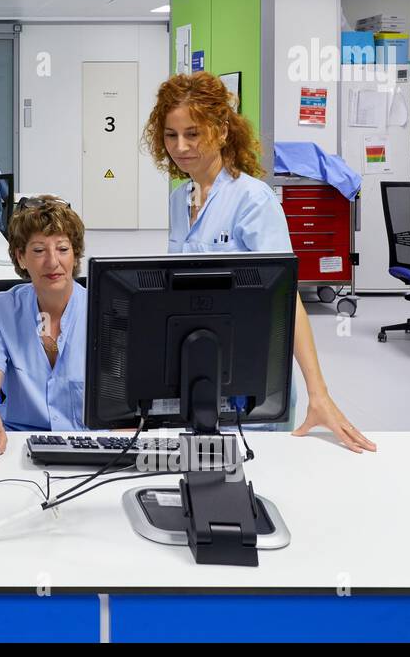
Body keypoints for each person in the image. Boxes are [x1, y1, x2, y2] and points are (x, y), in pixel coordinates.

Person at [142, 71, 377, 453]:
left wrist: (319, 393)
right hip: (200, 364)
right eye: (171, 135)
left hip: (253, 375)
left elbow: (287, 297)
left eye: (193, 133)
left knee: (257, 477)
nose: (181, 146)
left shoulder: (253, 200)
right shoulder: (178, 199)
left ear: (220, 130)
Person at [0, 196, 87, 458]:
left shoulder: (107, 309)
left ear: (75, 255)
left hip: (88, 441)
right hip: (20, 443)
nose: (52, 262)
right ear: (21, 257)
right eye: (39, 251)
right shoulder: (2, 309)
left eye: (62, 249)